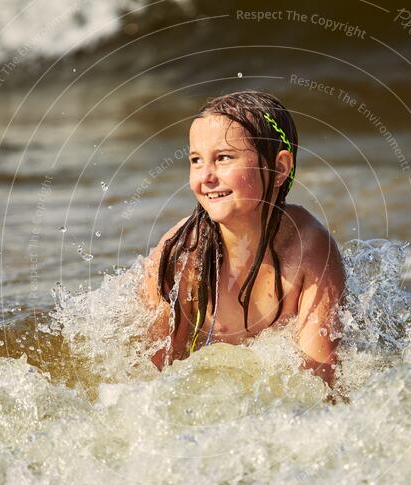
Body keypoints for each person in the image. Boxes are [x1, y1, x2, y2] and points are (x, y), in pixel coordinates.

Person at [140, 90, 346, 389]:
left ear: (279, 168)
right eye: (196, 160)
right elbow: (150, 375)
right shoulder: (184, 252)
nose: (205, 176)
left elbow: (321, 383)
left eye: (223, 158)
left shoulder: (310, 250)